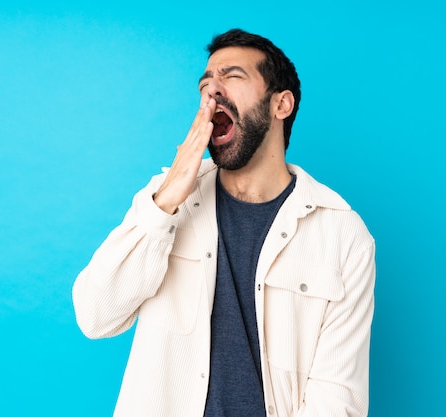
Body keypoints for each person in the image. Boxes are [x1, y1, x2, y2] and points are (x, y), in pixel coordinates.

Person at [72, 28, 375, 417]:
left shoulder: (343, 236)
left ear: (281, 104)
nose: (211, 91)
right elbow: (96, 315)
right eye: (205, 82)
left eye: (232, 76)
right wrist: (165, 202)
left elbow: (336, 400)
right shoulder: (162, 201)